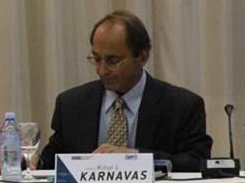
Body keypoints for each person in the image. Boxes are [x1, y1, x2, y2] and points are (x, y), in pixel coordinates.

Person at [36, 10, 212, 172]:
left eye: (112, 61)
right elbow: (51, 162)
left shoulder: (181, 106)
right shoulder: (71, 104)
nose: (101, 70)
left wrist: (135, 157)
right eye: (96, 59)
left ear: (142, 57)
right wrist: (31, 161)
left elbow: (197, 162)